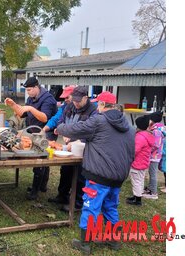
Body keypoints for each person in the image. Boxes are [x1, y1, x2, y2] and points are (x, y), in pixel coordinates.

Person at [55, 91, 135, 254]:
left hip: (99, 175)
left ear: (103, 105)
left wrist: (60, 127)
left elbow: (76, 129)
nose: (97, 107)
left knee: (90, 207)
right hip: (118, 176)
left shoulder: (99, 120)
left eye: (98, 103)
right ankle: (114, 240)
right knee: (110, 206)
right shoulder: (127, 125)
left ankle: (84, 243)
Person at [5, 77, 57, 200]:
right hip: (34, 131)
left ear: (36, 87)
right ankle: (42, 186)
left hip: (46, 132)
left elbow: (44, 118)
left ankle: (35, 191)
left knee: (40, 160)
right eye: (27, 90)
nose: (28, 92)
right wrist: (13, 105)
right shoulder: (31, 98)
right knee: (42, 159)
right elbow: (23, 114)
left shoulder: (48, 99)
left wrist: (30, 108)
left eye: (29, 90)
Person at [48, 86, 97, 211]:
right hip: (68, 144)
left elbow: (93, 130)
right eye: (74, 100)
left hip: (83, 146)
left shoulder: (93, 111)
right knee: (65, 170)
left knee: (80, 174)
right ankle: (62, 195)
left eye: (78, 100)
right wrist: (64, 132)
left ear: (86, 97)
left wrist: (79, 141)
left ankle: (78, 202)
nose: (75, 103)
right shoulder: (70, 106)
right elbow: (60, 121)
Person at [126, 115, 155, 206]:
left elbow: (134, 150)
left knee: (136, 181)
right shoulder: (147, 135)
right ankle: (136, 196)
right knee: (140, 180)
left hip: (137, 163)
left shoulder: (140, 137)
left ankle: (137, 200)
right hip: (143, 162)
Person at [142, 111, 165, 200]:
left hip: (154, 156)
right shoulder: (157, 129)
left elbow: (156, 144)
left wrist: (148, 150)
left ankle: (153, 193)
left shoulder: (156, 131)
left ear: (153, 120)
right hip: (154, 156)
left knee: (153, 174)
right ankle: (150, 189)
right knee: (151, 173)